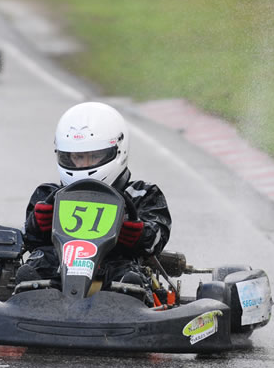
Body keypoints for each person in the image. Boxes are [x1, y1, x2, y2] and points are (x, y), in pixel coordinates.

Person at [17, 101, 172, 288]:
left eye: (94, 156)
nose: (84, 165)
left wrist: (139, 234)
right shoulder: (47, 195)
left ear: (118, 151)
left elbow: (157, 239)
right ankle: (28, 294)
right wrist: (38, 223)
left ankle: (130, 298)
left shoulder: (141, 194)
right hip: (58, 263)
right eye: (78, 157)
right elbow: (28, 239)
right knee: (37, 262)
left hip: (116, 263)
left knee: (129, 276)